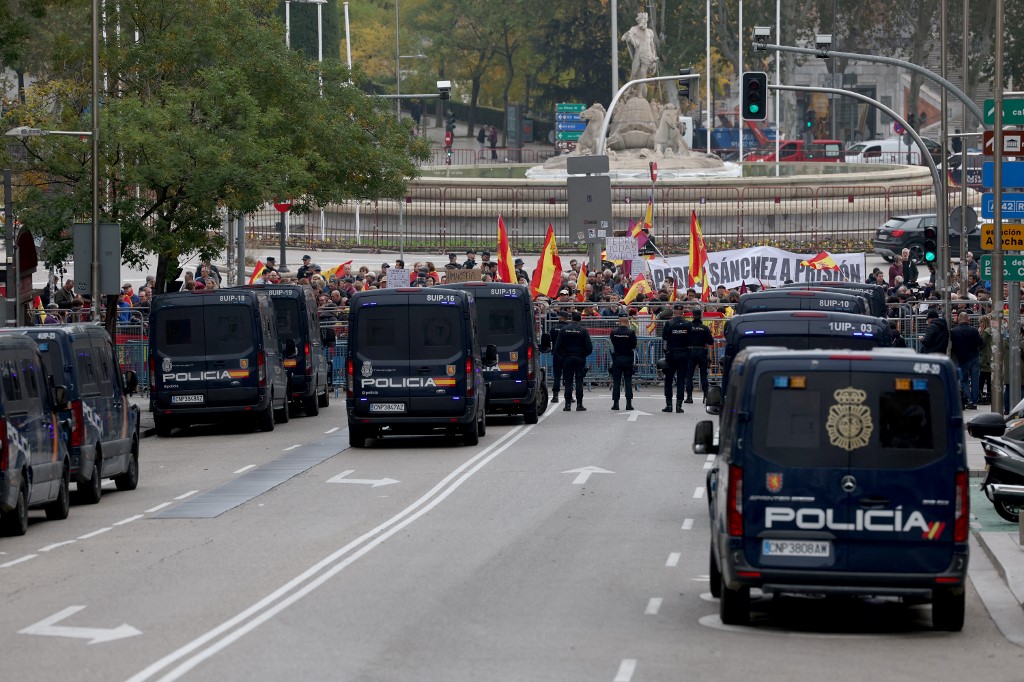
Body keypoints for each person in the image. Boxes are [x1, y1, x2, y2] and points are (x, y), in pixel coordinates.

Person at [554, 311, 593, 411]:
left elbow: (557, 347)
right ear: (580, 319)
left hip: (567, 358)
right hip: (579, 358)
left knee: (568, 382)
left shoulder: (563, 330)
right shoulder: (583, 331)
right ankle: (579, 404)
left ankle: (567, 405)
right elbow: (589, 347)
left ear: (571, 319)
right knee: (579, 381)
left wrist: (562, 358)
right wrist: (583, 355)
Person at [620, 11, 659, 100]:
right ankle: (630, 89)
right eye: (643, 20)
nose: (644, 22)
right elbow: (623, 38)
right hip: (638, 52)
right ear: (639, 21)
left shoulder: (650, 32)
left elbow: (652, 46)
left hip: (647, 54)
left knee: (642, 72)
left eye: (646, 20)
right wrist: (628, 36)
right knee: (633, 72)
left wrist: (653, 56)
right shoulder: (634, 29)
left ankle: (640, 93)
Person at [661, 302, 691, 413]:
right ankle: (679, 406)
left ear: (674, 312)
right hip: (684, 354)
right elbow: (690, 339)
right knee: (681, 380)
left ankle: (669, 405)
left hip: (671, 354)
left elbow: (664, 337)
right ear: (683, 312)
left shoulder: (668, 324)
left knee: (668, 379)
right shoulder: (688, 324)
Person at [950, 311, 983, 409]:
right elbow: (980, 343)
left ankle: (970, 399)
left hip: (961, 358)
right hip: (974, 357)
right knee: (975, 380)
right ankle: (975, 401)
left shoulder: (954, 331)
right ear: (968, 318)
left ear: (959, 319)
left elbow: (952, 346)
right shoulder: (973, 330)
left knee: (964, 380)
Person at [684, 308, 714, 403]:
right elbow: (710, 341)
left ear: (692, 316)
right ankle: (706, 396)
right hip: (702, 351)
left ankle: (689, 397)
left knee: (689, 375)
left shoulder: (688, 327)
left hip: (691, 351)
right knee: (703, 375)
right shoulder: (705, 328)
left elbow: (684, 340)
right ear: (701, 316)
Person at [609, 315, 637, 411]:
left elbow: (613, 343)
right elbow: (634, 345)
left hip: (617, 358)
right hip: (628, 358)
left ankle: (615, 404)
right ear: (628, 321)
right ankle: (629, 403)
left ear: (619, 321)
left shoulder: (614, 332)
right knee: (628, 381)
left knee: (616, 381)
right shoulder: (631, 332)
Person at [549, 309, 570, 404]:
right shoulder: (569, 328)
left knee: (557, 375)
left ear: (560, 317)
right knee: (568, 376)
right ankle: (569, 395)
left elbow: (551, 340)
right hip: (567, 354)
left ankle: (555, 396)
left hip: (557, 353)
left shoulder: (553, 328)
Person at [979, 314, 993, 404]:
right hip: (989, 356)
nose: (979, 324)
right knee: (988, 379)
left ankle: (981, 395)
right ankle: (989, 395)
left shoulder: (985, 332)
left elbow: (981, 343)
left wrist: (979, 333)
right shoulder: (991, 330)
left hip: (985, 357)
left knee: (982, 377)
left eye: (980, 322)